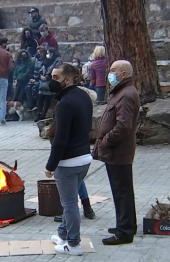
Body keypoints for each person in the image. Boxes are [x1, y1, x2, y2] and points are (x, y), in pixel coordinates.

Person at [44, 63, 93, 256]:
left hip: (69, 162)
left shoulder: (65, 104)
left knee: (69, 204)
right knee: (70, 200)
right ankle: (63, 233)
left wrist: (50, 166)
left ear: (68, 79)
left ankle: (73, 245)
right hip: (84, 158)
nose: (52, 81)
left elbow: (60, 140)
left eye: (56, 77)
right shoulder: (83, 96)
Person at [92, 60, 140, 246]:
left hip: (118, 151)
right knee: (120, 190)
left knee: (122, 192)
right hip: (115, 152)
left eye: (113, 71)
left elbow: (123, 125)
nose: (109, 74)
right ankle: (125, 224)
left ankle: (125, 231)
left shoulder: (126, 94)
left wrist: (106, 141)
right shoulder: (121, 92)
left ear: (124, 74)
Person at [35, 47, 62, 122]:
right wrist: (41, 76)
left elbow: (57, 70)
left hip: (51, 81)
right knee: (40, 97)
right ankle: (39, 113)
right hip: (43, 82)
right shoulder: (46, 61)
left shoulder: (58, 61)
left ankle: (43, 114)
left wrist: (47, 76)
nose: (47, 54)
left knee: (47, 98)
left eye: (49, 53)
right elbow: (41, 68)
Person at [25, 46, 46, 111]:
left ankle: (37, 105)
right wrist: (31, 77)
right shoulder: (34, 60)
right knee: (27, 87)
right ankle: (31, 105)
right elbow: (30, 70)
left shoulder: (45, 60)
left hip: (40, 79)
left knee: (35, 88)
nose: (39, 53)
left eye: (40, 52)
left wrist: (38, 78)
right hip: (33, 78)